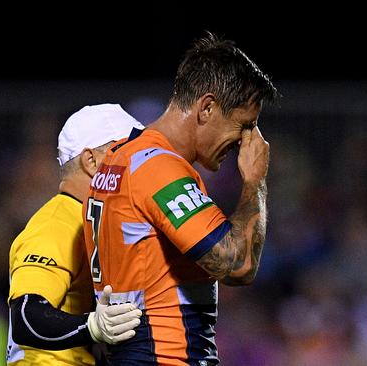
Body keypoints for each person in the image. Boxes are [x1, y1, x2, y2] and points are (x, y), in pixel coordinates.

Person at [82, 32, 279, 365]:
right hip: (165, 356)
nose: (246, 142)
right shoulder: (158, 168)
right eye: (244, 125)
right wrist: (255, 181)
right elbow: (239, 265)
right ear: (206, 107)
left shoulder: (120, 158)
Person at [7, 104, 145, 365]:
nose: (139, 164)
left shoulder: (96, 221)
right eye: (127, 152)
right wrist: (92, 326)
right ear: (91, 161)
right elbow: (26, 316)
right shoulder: (56, 223)